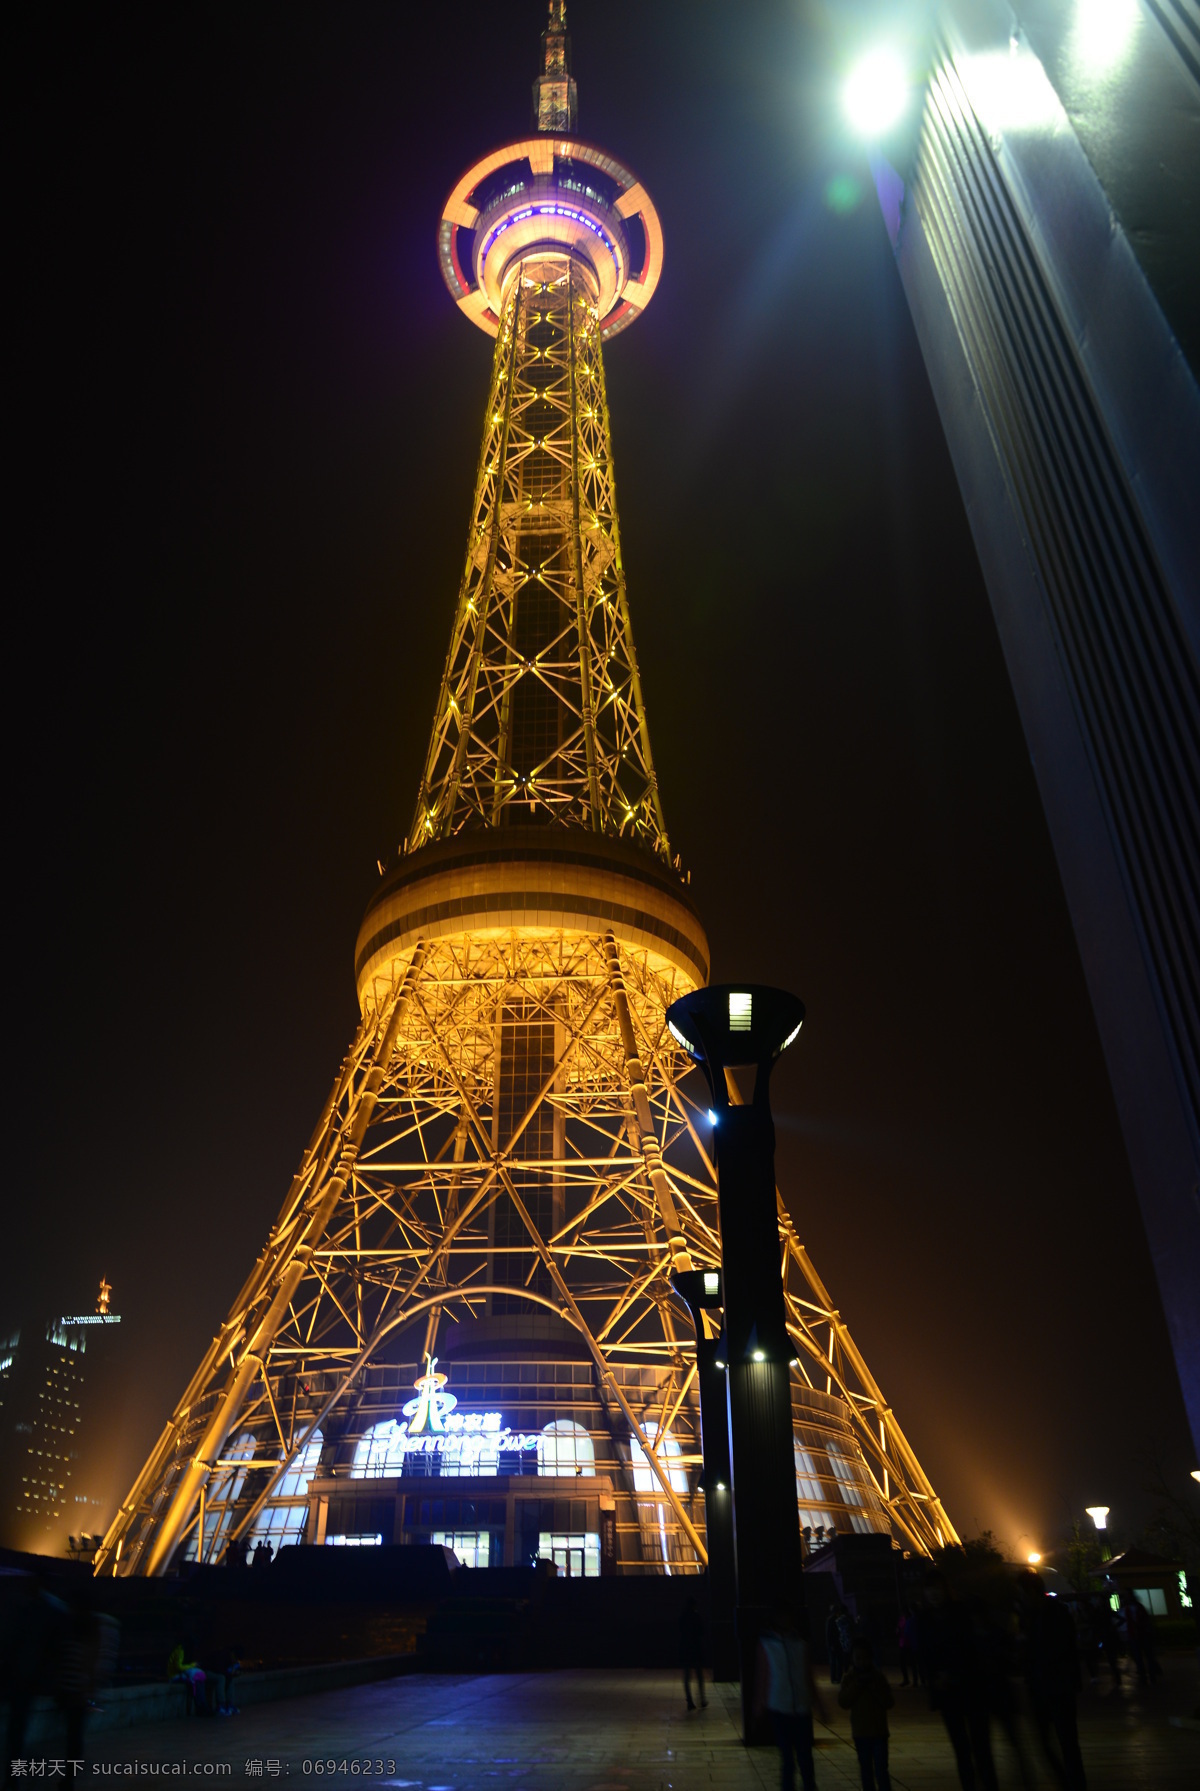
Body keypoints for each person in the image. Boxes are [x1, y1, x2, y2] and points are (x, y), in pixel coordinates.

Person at [917, 1572, 998, 1791]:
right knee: (961, 1750)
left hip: (972, 1690)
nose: (933, 1593)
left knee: (981, 1748)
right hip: (948, 1694)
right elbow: (924, 1656)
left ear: (945, 1589)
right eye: (929, 1589)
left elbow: (973, 1650)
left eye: (936, 1588)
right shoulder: (924, 1620)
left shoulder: (962, 1614)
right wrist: (934, 1678)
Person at [754, 1605, 828, 1791]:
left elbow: (808, 1676)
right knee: (789, 1758)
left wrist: (818, 1705)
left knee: (804, 1757)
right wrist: (759, 1704)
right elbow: (763, 1676)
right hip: (780, 1707)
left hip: (800, 1707)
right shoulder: (767, 1644)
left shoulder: (800, 1644)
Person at [838, 1637, 895, 1791]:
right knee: (866, 1771)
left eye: (865, 1658)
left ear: (871, 1658)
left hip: (879, 1732)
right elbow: (843, 1701)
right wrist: (857, 1685)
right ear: (853, 1659)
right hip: (861, 1733)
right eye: (858, 1658)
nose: (862, 1662)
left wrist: (873, 1687)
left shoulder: (877, 1677)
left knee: (881, 1770)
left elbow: (889, 1701)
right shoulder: (850, 1678)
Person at [167, 1641, 211, 1715]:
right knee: (195, 1680)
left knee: (199, 1680)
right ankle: (200, 1706)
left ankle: (203, 1705)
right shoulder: (180, 1651)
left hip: (181, 1673)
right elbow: (179, 1667)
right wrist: (192, 1665)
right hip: (174, 1675)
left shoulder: (185, 1651)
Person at [679, 1595, 706, 1711]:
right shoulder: (696, 1616)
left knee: (687, 1676)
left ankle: (689, 1700)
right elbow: (701, 1632)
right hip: (696, 1648)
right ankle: (702, 1698)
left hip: (686, 1649)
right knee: (699, 1675)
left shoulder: (683, 1617)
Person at [897, 1607, 920, 1687]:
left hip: (908, 1643)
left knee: (911, 1663)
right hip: (905, 1643)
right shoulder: (905, 1619)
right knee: (907, 1663)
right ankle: (911, 1680)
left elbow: (904, 1631)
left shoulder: (909, 1620)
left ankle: (912, 1680)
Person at [826, 1602, 848, 1685]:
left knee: (833, 1662)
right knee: (838, 1661)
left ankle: (834, 1678)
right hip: (837, 1644)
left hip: (834, 1644)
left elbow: (828, 1634)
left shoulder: (830, 1619)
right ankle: (837, 1678)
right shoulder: (836, 1619)